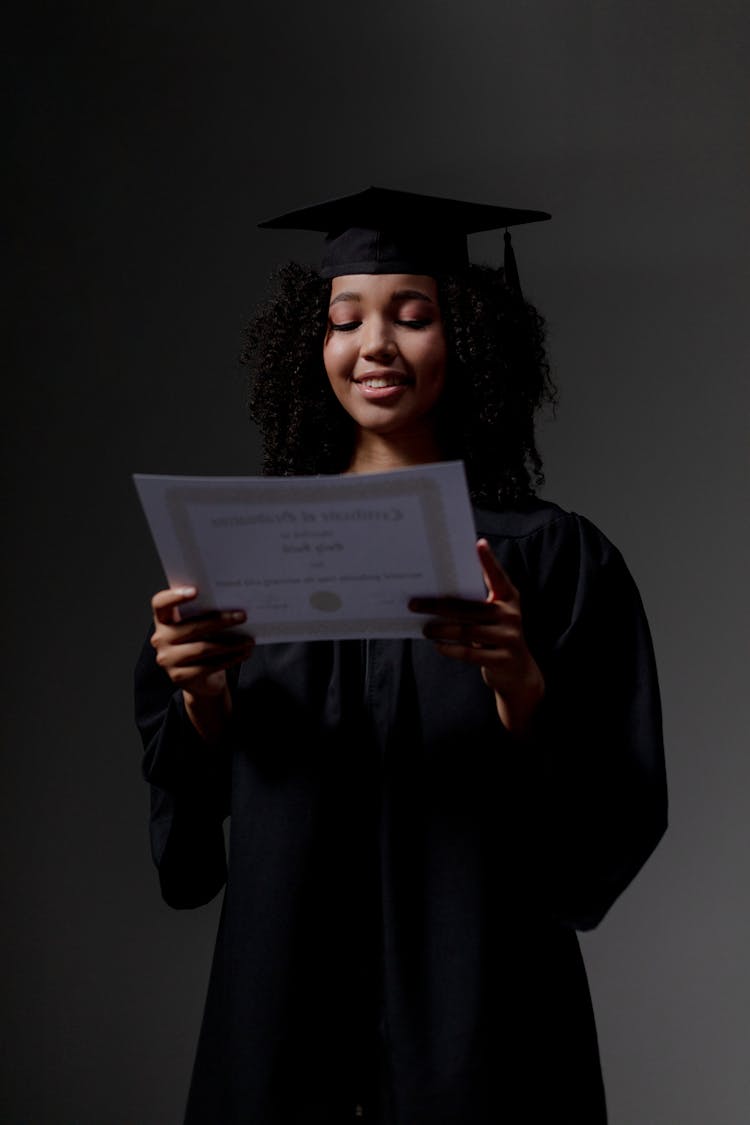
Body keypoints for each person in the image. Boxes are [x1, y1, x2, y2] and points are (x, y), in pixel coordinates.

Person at [134, 186, 668, 1124]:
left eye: (412, 316)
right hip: (286, 995)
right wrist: (202, 699)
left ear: (467, 336)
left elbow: (610, 819)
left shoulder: (547, 558)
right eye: (346, 320)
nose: (374, 344)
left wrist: (523, 689)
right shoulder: (250, 550)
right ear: (314, 344)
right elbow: (195, 826)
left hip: (487, 1010)